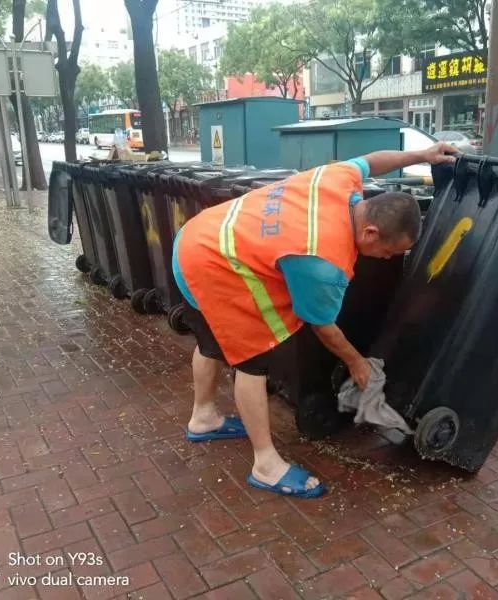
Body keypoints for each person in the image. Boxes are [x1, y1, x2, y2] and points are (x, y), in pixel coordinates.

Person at [172, 142, 458, 498]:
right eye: (390, 251)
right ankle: (266, 465)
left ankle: (204, 418)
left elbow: (370, 160)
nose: (387, 258)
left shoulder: (339, 179)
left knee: (211, 342)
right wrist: (356, 362)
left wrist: (422, 156)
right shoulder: (324, 261)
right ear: (371, 232)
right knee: (255, 359)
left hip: (197, 239)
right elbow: (321, 324)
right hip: (214, 265)